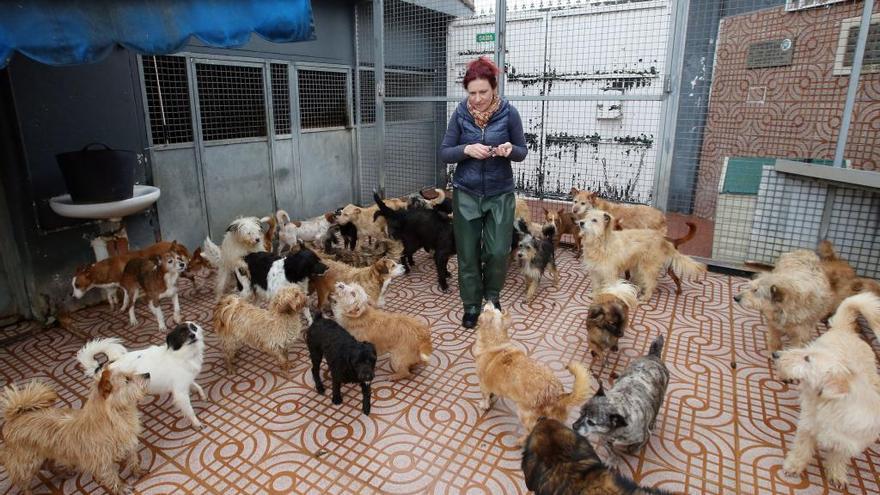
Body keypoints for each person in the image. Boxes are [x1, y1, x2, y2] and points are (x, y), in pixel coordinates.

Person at [439, 57, 528, 328]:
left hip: (500, 193)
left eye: (483, 92)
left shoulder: (509, 114)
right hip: (466, 193)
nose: (477, 99)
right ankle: (471, 304)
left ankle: (492, 296)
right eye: (472, 93)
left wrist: (509, 150)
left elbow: (522, 151)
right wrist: (465, 150)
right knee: (467, 253)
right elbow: (444, 152)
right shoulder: (460, 114)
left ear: (494, 89)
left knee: (498, 251)